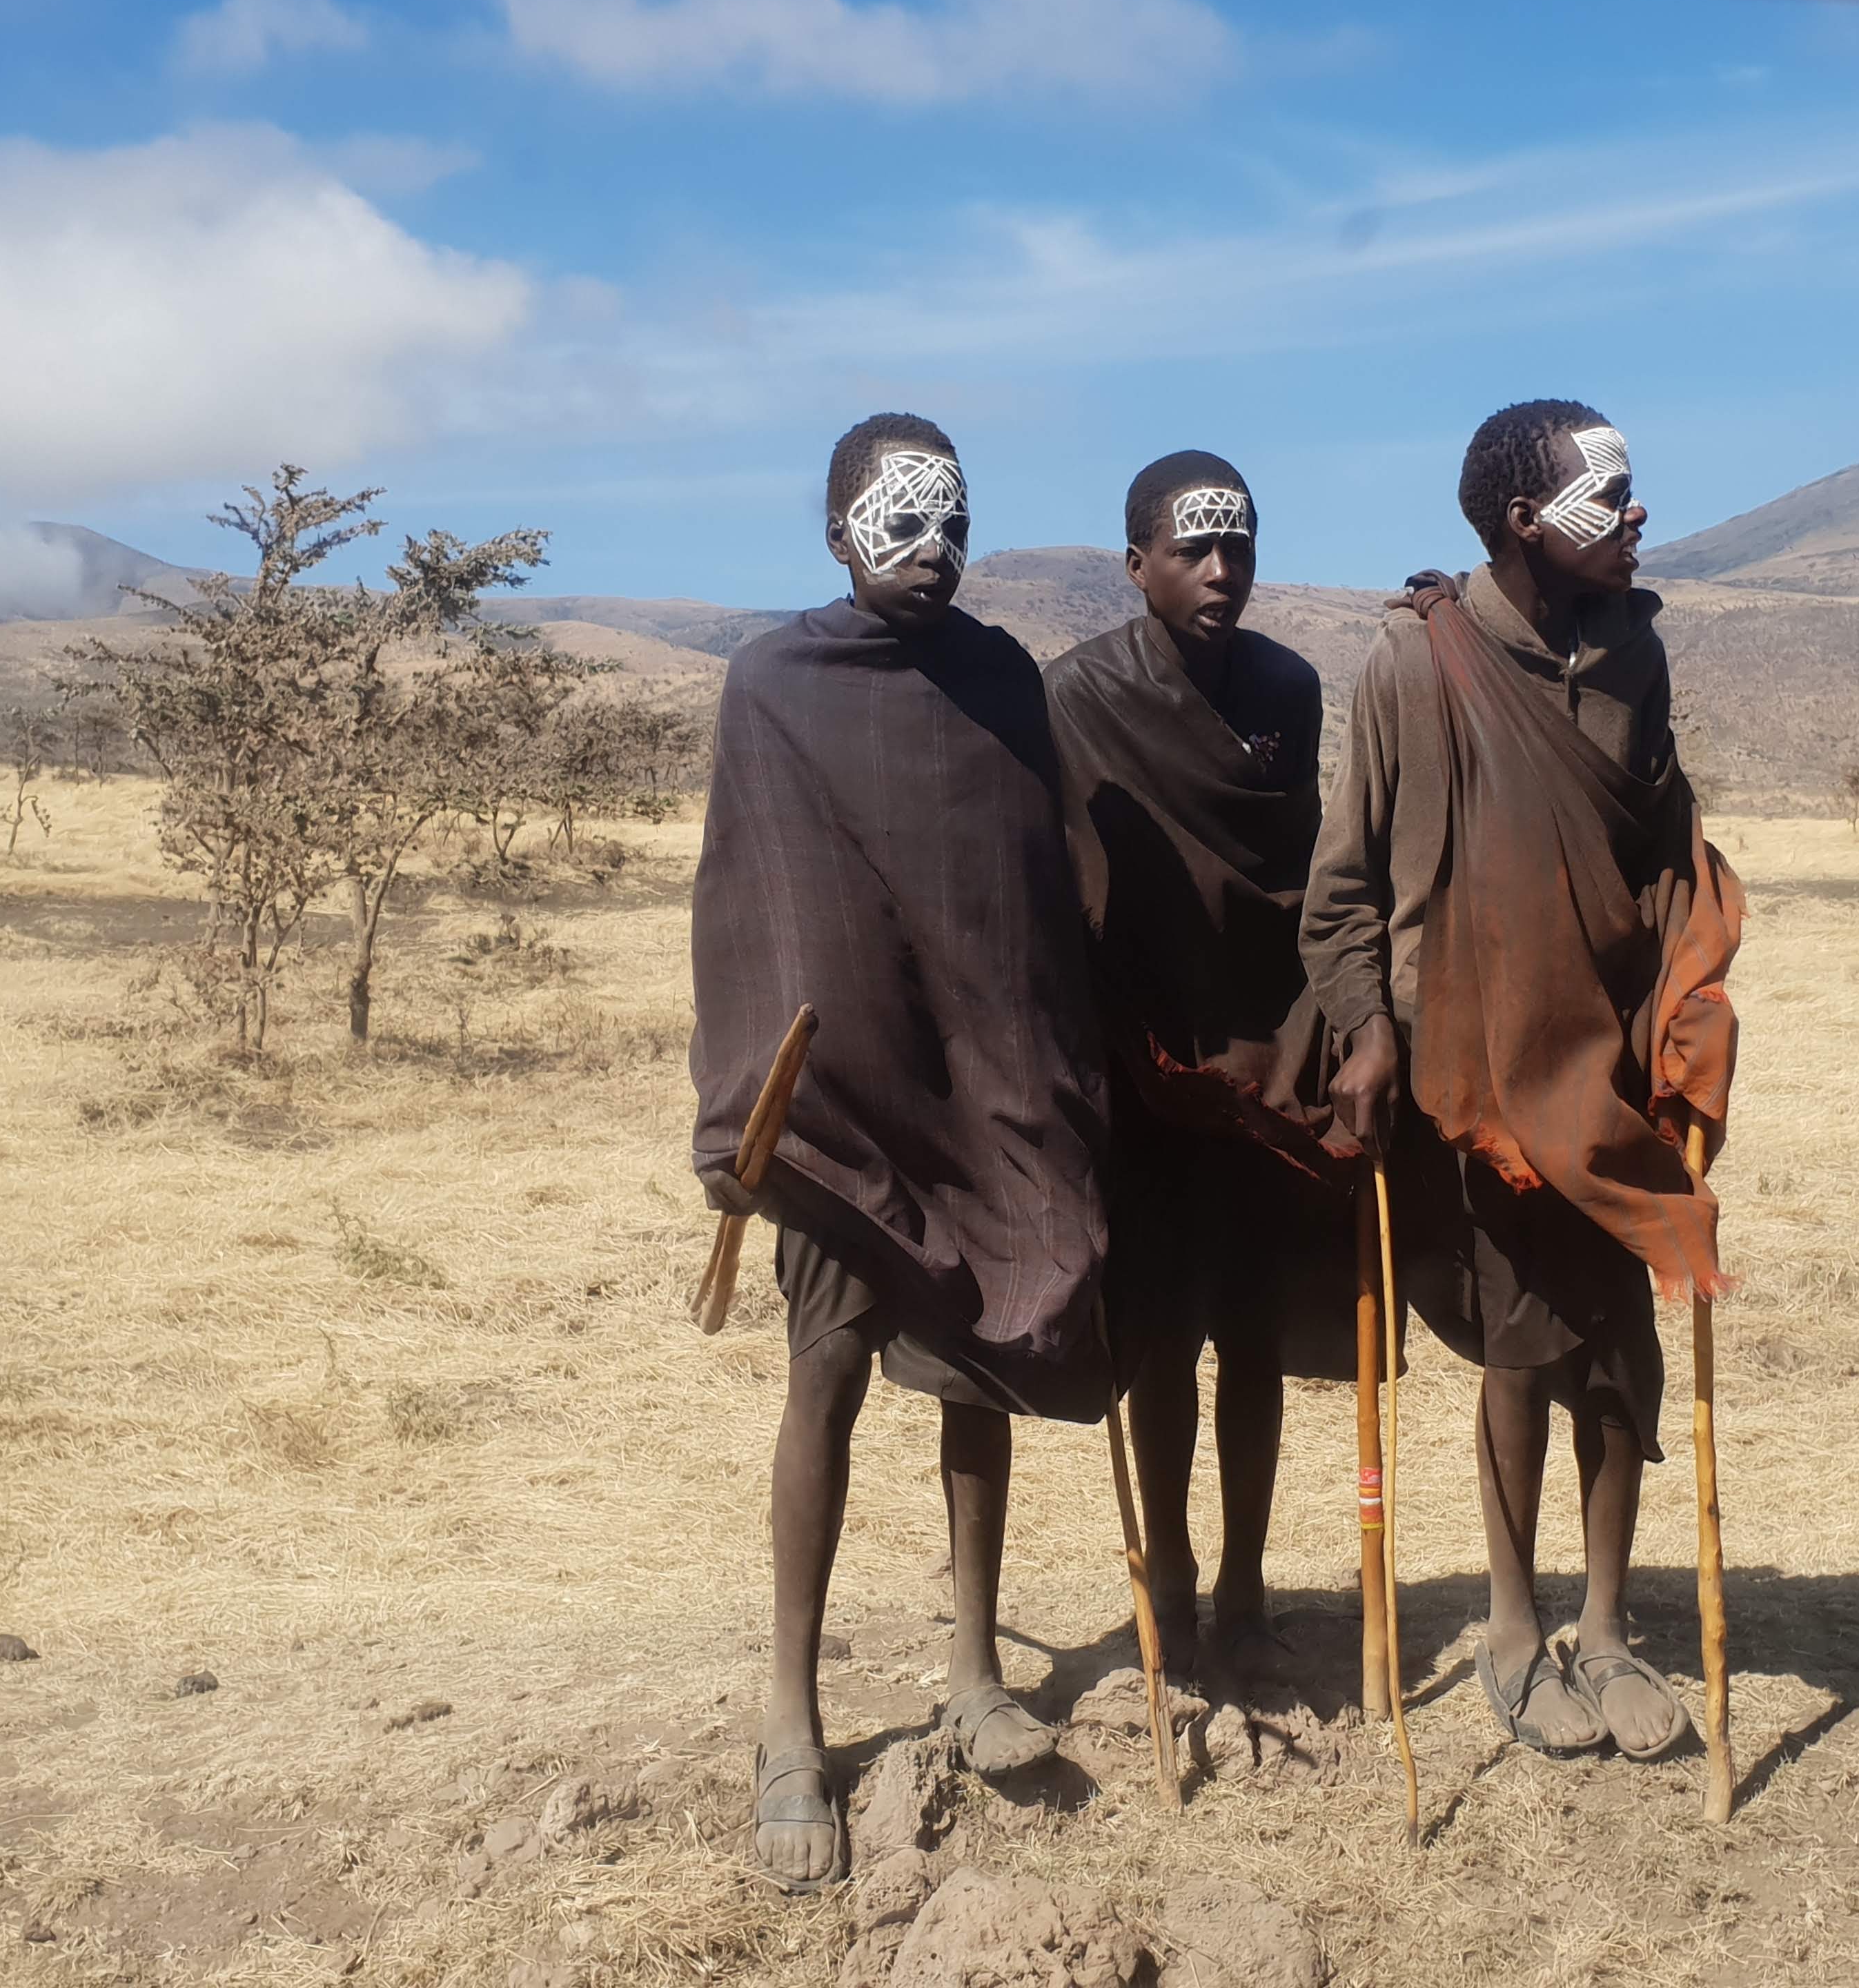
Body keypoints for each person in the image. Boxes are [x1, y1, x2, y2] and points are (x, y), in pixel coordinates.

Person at [689, 413, 1111, 1892]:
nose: (933, 550)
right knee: (829, 1378)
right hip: (843, 1103)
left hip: (984, 1088)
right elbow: (749, 900)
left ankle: (977, 1667)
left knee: (983, 1360)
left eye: (954, 521)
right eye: (900, 522)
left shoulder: (1000, 680)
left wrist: (1054, 1069)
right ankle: (791, 1721)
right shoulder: (776, 685)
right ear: (834, 532)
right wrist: (750, 1107)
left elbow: (1029, 890)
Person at [1301, 399, 1742, 1762]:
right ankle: (1510, 1631)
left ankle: (1605, 1631)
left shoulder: (1634, 656)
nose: (1637, 518)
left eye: (1631, 496)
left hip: (1613, 1075)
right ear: (1518, 524)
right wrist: (1369, 1029)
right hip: (1480, 1079)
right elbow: (1343, 893)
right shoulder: (1414, 665)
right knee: (1518, 1349)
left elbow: (1668, 857)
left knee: (1620, 1350)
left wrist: (1688, 1007)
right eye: (1606, 502)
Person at [1042, 451, 1361, 1691]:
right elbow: (1068, 884)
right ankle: (1168, 1584)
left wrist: (1339, 1027)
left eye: (1240, 545)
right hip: (1152, 1073)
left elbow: (1305, 870)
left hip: (1275, 1068)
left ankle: (1245, 1589)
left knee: (1257, 1338)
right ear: (1139, 568)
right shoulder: (1074, 698)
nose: (1224, 570)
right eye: (1194, 549)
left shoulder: (1289, 685)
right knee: (1164, 1341)